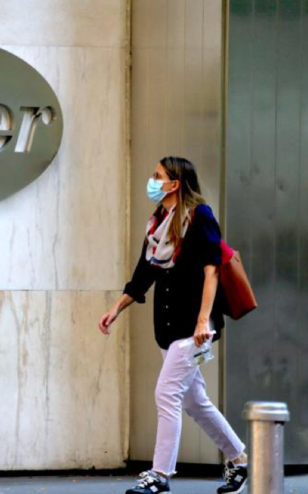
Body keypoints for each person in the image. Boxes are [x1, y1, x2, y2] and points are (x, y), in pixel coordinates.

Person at [98, 157, 249, 494]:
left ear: (175, 183)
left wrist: (203, 321)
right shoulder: (157, 223)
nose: (152, 180)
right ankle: (238, 459)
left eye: (158, 176)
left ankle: (160, 475)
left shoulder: (200, 216)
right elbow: (144, 274)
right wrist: (116, 308)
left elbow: (212, 270)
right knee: (194, 401)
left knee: (166, 393)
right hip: (167, 327)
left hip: (194, 328)